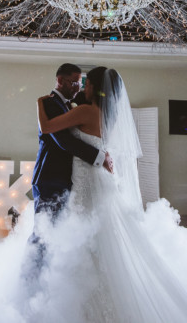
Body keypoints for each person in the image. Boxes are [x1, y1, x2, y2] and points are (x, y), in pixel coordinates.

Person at [36, 66, 187, 323]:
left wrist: (39, 102)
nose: (82, 88)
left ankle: (85, 302)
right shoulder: (107, 114)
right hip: (96, 179)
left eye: (86, 84)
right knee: (100, 235)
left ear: (95, 87)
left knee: (87, 235)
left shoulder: (85, 110)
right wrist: (102, 156)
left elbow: (48, 127)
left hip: (87, 181)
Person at [25, 63, 113, 276]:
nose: (78, 87)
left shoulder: (74, 103)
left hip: (70, 178)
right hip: (50, 177)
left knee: (59, 230)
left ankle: (50, 275)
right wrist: (100, 157)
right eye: (74, 82)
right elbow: (65, 141)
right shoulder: (49, 103)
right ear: (60, 81)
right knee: (43, 231)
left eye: (81, 83)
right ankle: (31, 277)